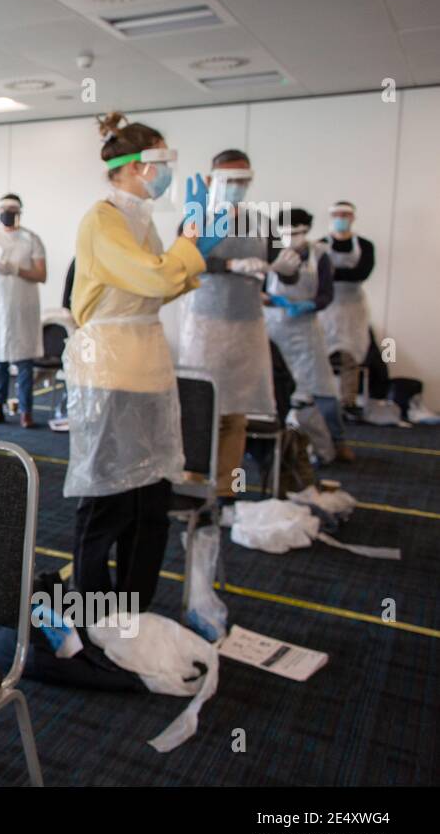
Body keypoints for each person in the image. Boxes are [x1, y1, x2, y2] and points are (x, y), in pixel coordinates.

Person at [65, 112, 224, 614]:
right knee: (108, 497)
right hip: (110, 373)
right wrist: (190, 242)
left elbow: (159, 286)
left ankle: (134, 610)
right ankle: (94, 608)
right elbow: (154, 278)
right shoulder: (103, 219)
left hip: (146, 366)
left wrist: (191, 250)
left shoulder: (142, 222)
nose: (169, 172)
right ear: (135, 167)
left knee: (150, 497)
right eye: (162, 160)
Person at [177, 148, 277, 496]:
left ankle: (225, 488)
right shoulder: (196, 217)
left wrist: (287, 269)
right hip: (204, 323)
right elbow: (183, 259)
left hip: (246, 326)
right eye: (229, 179)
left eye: (242, 180)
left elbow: (278, 265)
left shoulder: (262, 221)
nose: (236, 186)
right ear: (212, 179)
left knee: (236, 413)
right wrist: (230, 266)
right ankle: (192, 481)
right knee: (201, 405)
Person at [264, 208, 352, 462]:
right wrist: (275, 300)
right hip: (273, 328)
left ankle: (337, 440)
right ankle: (279, 444)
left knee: (322, 388)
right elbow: (258, 289)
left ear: (307, 231)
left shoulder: (320, 256)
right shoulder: (270, 253)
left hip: (305, 328)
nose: (292, 238)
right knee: (276, 388)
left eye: (298, 232)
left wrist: (308, 305)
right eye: (287, 233)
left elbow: (326, 294)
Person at [0, 193, 46, 427]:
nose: (7, 213)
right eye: (3, 209)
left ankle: (26, 411)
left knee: (24, 361)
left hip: (23, 307)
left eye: (11, 209)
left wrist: (17, 268)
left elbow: (41, 274)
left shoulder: (31, 239)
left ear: (19, 212)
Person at [316, 201, 376, 414]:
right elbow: (318, 274)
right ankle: (323, 398)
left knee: (351, 354)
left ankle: (348, 401)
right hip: (327, 306)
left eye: (345, 214)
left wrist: (334, 273)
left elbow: (362, 272)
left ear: (352, 217)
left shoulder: (365, 245)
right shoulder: (321, 244)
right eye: (337, 214)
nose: (341, 218)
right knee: (323, 352)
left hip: (353, 307)